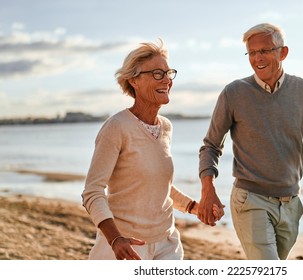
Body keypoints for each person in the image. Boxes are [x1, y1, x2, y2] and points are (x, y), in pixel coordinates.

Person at [197, 23, 303, 260]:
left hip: (291, 203)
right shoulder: (234, 93)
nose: (257, 58)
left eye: (265, 50)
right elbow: (210, 145)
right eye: (252, 53)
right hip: (250, 199)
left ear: (283, 53)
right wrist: (207, 189)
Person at [82, 39, 222, 260]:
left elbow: (159, 185)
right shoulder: (116, 127)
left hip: (167, 244)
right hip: (126, 246)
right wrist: (115, 239)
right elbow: (92, 192)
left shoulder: (166, 127)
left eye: (169, 73)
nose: (166, 80)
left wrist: (195, 207)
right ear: (133, 81)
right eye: (157, 73)